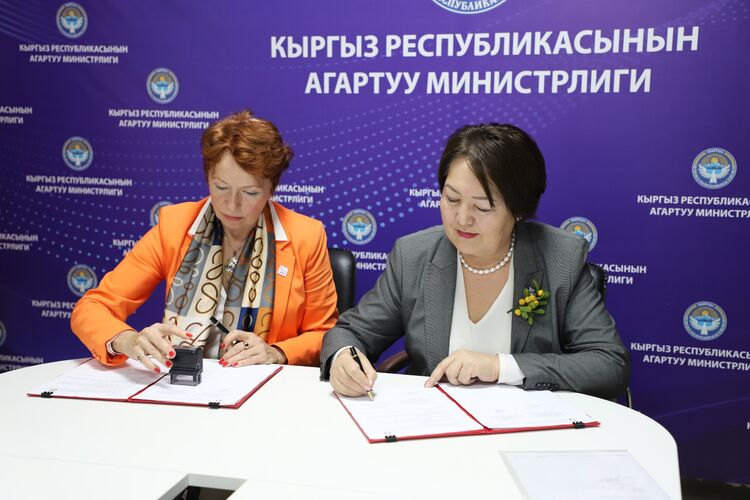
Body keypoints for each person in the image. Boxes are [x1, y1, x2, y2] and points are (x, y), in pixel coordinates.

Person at [321, 123, 630, 400]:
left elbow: (608, 365)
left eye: (482, 207)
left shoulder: (559, 258)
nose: (462, 218)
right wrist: (343, 357)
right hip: (434, 425)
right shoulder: (413, 255)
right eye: (452, 199)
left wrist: (499, 367)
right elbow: (350, 332)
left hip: (527, 428)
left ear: (519, 209)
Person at [71, 110, 338, 372]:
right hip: (181, 383)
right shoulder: (174, 226)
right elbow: (92, 307)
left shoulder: (305, 236)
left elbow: (325, 334)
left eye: (250, 192)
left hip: (263, 388)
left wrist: (275, 352)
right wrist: (127, 340)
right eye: (221, 187)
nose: (232, 204)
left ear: (271, 189)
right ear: (208, 177)